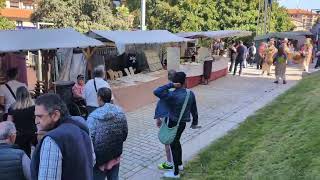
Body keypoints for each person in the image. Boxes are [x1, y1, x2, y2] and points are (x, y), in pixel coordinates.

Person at [30, 94, 94, 180]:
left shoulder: (52, 139)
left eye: (40, 116)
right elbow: (92, 161)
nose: (36, 121)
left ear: (55, 115)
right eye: (35, 116)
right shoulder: (82, 128)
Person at [154, 72, 199, 178]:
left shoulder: (171, 95)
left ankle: (175, 173)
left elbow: (156, 91)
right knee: (177, 143)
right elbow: (194, 109)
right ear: (185, 81)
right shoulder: (190, 93)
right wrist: (194, 122)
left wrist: (171, 85)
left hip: (172, 123)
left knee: (173, 145)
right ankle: (179, 165)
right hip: (182, 124)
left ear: (175, 82)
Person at [87, 87, 128, 180]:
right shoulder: (120, 112)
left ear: (99, 98)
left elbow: (89, 141)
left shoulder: (93, 117)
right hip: (115, 154)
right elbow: (124, 134)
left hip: (99, 159)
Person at [154, 70, 176, 170]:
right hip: (176, 119)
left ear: (168, 77)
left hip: (167, 119)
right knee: (175, 141)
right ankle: (177, 162)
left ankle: (169, 163)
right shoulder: (179, 91)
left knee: (167, 141)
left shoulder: (167, 91)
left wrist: (158, 118)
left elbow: (157, 95)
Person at [7, 86, 36, 157]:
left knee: (24, 154)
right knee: (37, 152)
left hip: (20, 134)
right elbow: (37, 119)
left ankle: (27, 166)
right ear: (28, 94)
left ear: (17, 95)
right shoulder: (34, 107)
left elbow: (9, 123)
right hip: (33, 132)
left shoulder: (12, 108)